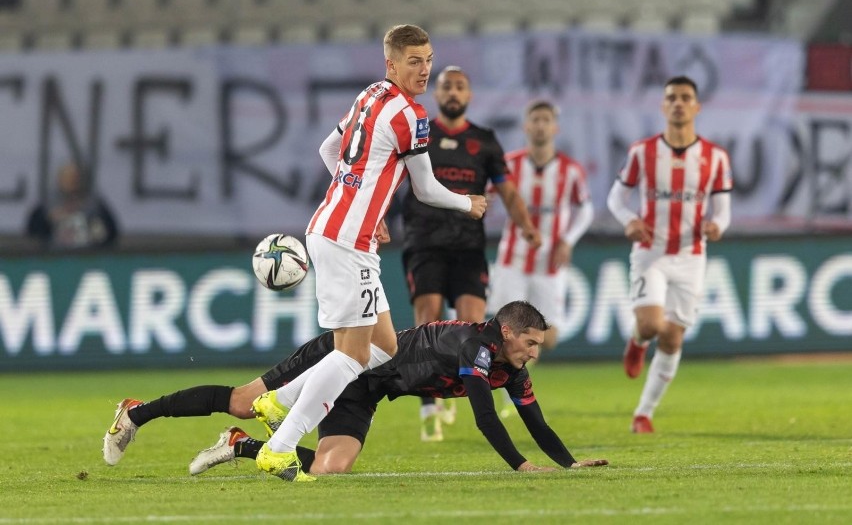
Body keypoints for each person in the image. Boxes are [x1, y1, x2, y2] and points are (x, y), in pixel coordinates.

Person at [103, 24, 486, 483]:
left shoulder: (370, 96)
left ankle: (273, 405)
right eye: (414, 62)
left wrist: (362, 204)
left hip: (336, 230)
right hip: (346, 242)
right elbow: (425, 189)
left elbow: (330, 150)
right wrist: (469, 203)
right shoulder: (411, 115)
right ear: (391, 63)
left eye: (428, 60)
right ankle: (278, 448)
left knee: (383, 347)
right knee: (353, 356)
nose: (424, 70)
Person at [101, 301, 608, 476]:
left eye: (538, 345)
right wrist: (521, 467)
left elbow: (534, 419)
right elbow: (484, 417)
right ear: (506, 333)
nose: (534, 353)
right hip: (344, 353)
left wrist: (568, 464)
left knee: (331, 467)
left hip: (366, 389)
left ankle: (239, 447)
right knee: (243, 400)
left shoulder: (510, 367)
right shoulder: (475, 347)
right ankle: (136, 412)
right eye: (530, 343)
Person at [399, 65, 540, 441]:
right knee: (427, 322)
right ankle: (429, 405)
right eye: (447, 87)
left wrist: (525, 224)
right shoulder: (418, 135)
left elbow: (507, 191)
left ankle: (482, 392)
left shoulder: (485, 141)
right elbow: (391, 179)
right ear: (438, 93)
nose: (453, 93)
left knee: (473, 325)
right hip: (424, 241)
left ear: (469, 95)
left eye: (460, 87)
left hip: (468, 246)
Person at [606, 75, 732, 433]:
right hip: (651, 252)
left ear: (696, 106)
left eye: (685, 97)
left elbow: (722, 210)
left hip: (691, 256)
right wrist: (629, 220)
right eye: (672, 97)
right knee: (650, 324)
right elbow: (616, 198)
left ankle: (643, 413)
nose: (678, 103)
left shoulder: (715, 157)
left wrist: (717, 227)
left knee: (673, 337)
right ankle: (637, 340)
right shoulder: (642, 152)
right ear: (664, 106)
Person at [488, 100, 594, 352]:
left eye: (546, 120)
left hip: (548, 264)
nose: (540, 126)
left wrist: (568, 240)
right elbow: (486, 197)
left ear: (555, 128)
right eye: (535, 120)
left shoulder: (571, 171)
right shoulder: (509, 165)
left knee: (548, 338)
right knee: (506, 332)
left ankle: (512, 380)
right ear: (526, 126)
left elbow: (586, 209)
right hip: (513, 259)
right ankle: (512, 389)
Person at [25, 161, 119, 250]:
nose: (71, 182)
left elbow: (110, 233)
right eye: (67, 178)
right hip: (54, 256)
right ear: (60, 179)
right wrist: (48, 219)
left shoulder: (95, 205)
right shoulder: (48, 205)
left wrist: (94, 226)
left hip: (89, 255)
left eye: (75, 178)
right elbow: (33, 233)